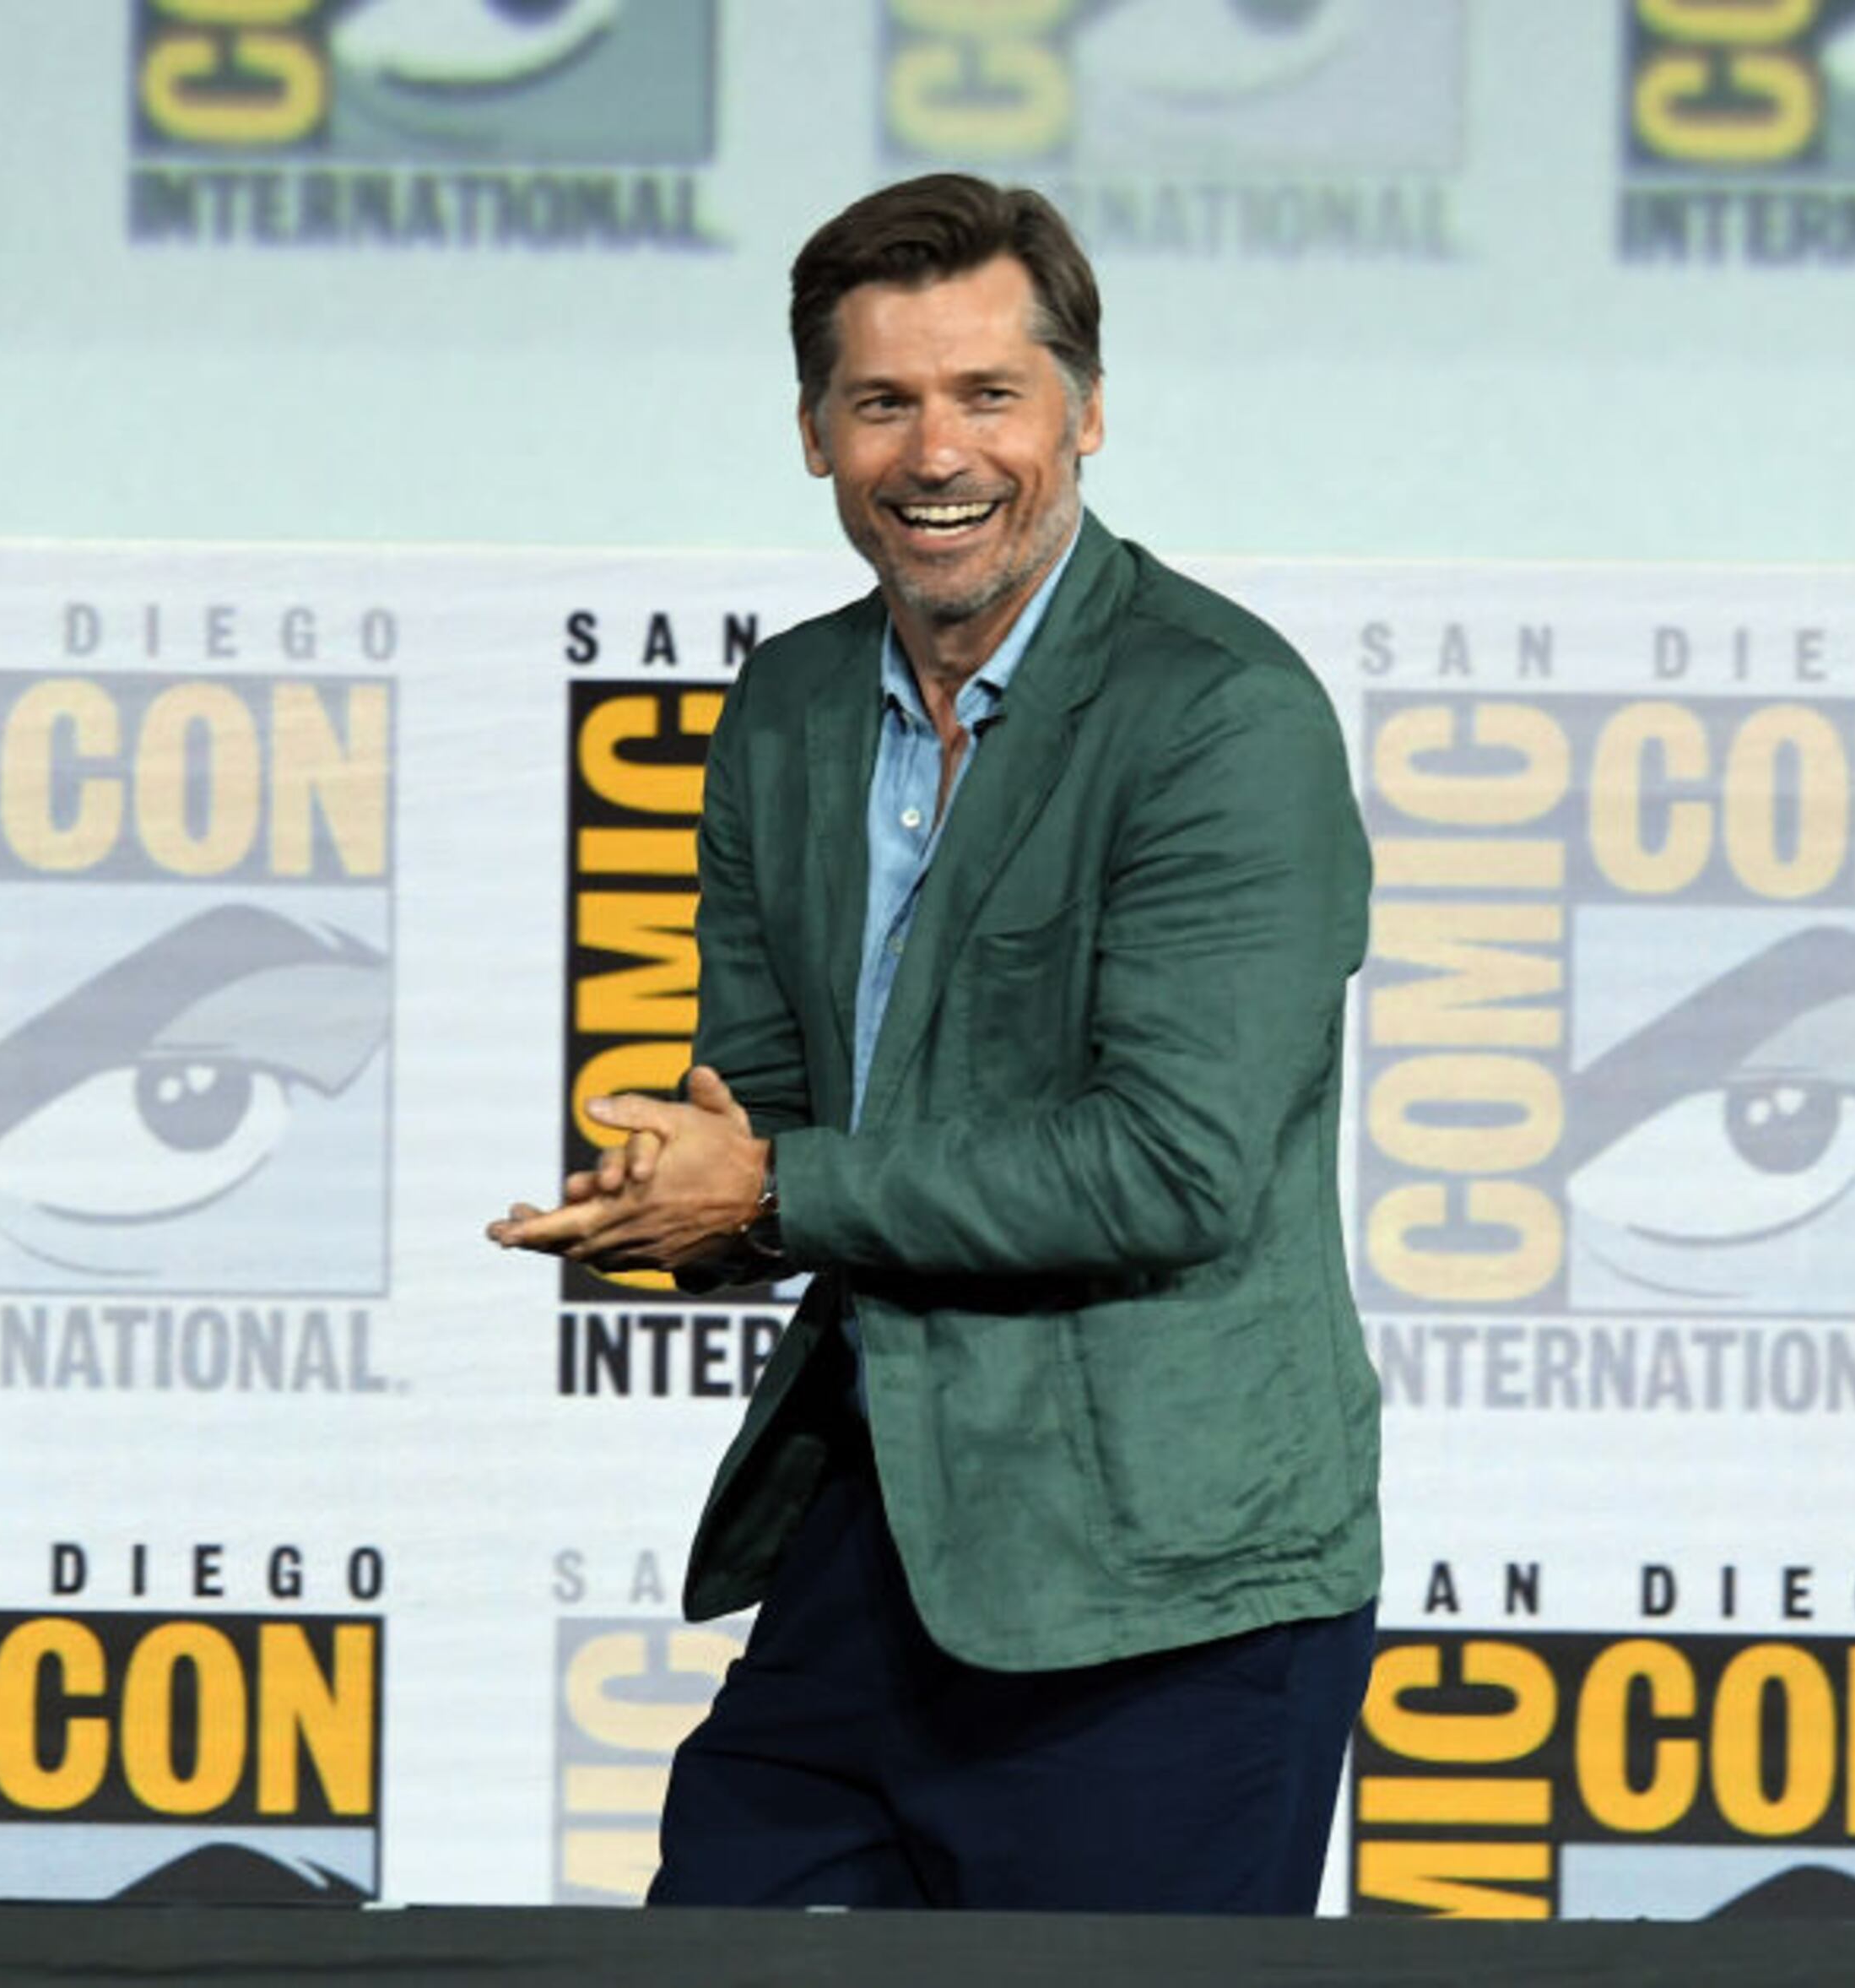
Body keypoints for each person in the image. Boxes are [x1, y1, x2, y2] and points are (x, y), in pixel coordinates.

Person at [488, 173, 1381, 1914]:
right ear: (815, 433)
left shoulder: (1222, 717)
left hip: (1169, 1582)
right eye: (882, 400)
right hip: (873, 1548)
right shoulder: (789, 708)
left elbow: (1171, 1165)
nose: (936, 452)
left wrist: (776, 1184)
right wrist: (678, 1190)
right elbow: (772, 1113)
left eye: (991, 395)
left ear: (1087, 412)